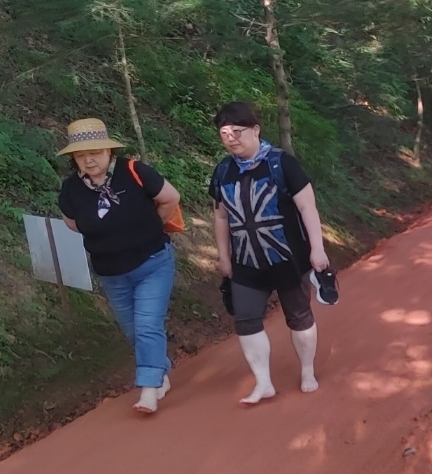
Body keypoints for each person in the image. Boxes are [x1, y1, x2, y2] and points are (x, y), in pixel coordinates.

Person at [208, 101, 330, 404]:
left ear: (255, 130)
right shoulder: (223, 171)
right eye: (224, 133)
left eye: (237, 131)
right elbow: (221, 216)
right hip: (246, 262)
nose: (231, 138)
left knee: (299, 316)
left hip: (289, 258)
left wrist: (317, 249)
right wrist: (224, 256)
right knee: (246, 321)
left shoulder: (282, 163)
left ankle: (307, 371)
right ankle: (263, 382)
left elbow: (307, 207)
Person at [57, 118, 181, 414]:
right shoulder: (71, 189)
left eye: (95, 152)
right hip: (111, 273)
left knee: (148, 324)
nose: (89, 160)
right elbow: (72, 223)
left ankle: (148, 390)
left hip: (152, 262)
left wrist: (150, 228)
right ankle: (160, 371)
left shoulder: (134, 171)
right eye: (81, 155)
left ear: (108, 151)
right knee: (133, 331)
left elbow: (170, 198)